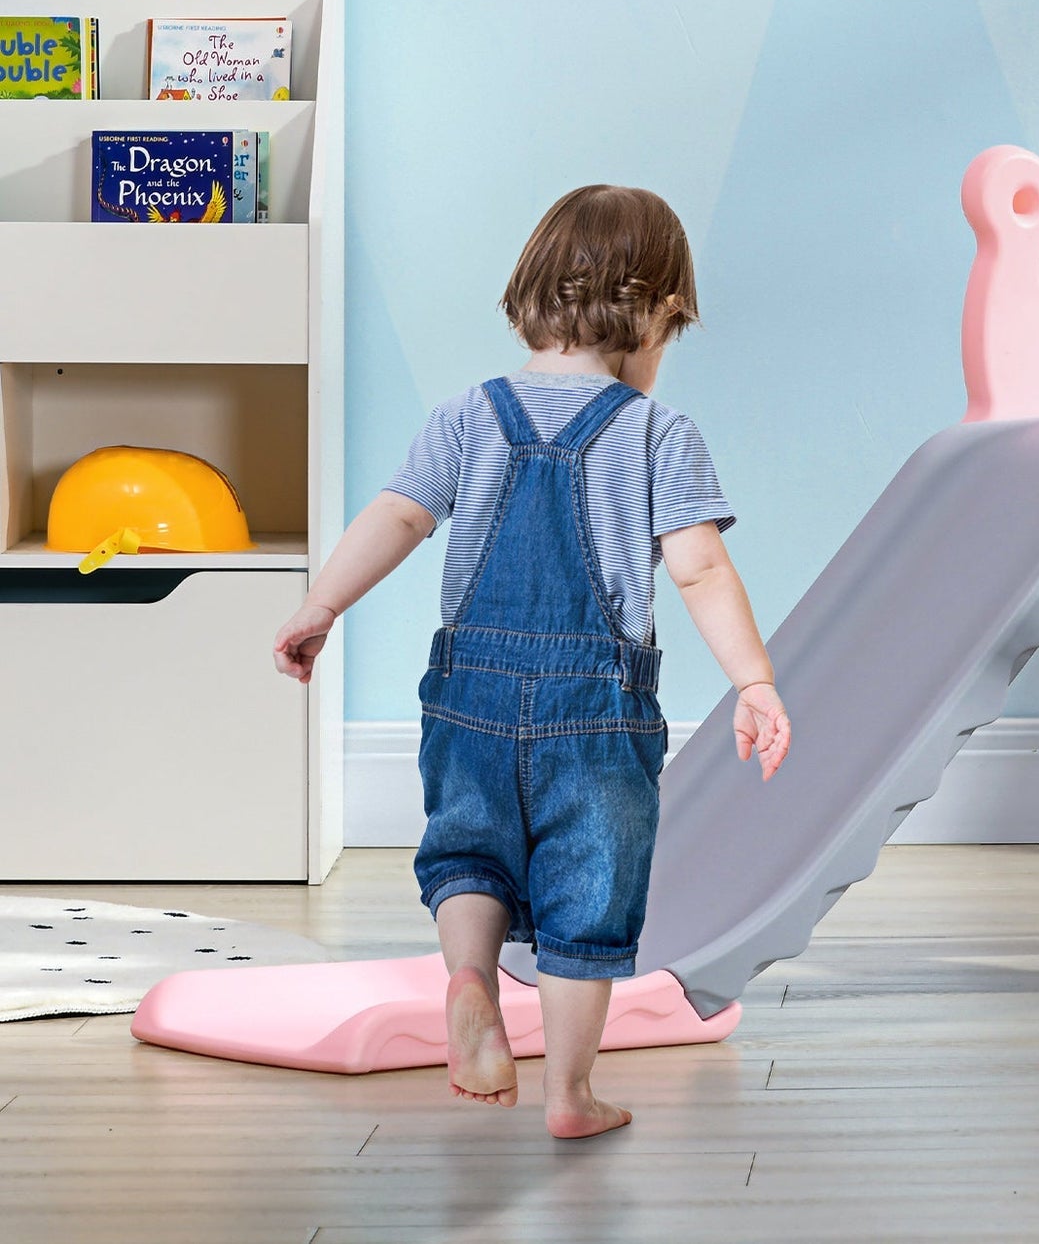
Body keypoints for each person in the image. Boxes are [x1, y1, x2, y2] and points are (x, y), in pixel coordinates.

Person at [270, 184, 790, 1139]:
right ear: (659, 314)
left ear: (529, 295)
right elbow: (701, 568)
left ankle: (470, 983)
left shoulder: (467, 415)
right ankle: (570, 1094)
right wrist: (753, 681)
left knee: (468, 852)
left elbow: (398, 515)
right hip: (593, 713)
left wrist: (321, 603)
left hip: (468, 694)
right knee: (588, 891)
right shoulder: (657, 432)